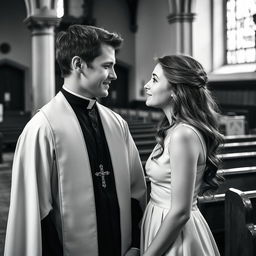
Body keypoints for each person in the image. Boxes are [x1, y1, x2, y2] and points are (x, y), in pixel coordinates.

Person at [4, 25, 146, 256]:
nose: (114, 75)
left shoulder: (117, 124)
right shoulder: (42, 129)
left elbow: (135, 193)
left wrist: (137, 244)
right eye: (107, 66)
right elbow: (36, 214)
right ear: (78, 64)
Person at [141, 55, 223, 256]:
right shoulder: (173, 130)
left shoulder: (182, 135)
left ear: (175, 91)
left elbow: (180, 212)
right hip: (160, 222)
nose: (145, 86)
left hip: (176, 235)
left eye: (154, 79)